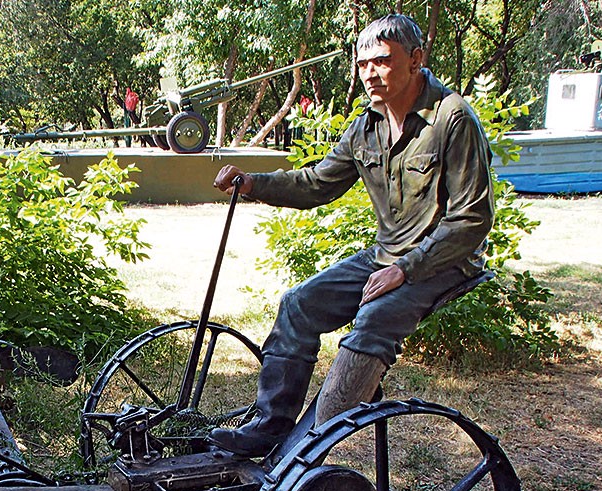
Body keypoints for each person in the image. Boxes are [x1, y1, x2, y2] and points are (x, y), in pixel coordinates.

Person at [209, 13, 494, 457]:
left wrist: (406, 269)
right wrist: (252, 183)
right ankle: (268, 427)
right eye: (362, 64)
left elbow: (472, 219)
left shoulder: (451, 118)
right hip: (388, 255)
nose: (370, 73)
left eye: (382, 61)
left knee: (376, 318)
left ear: (416, 59)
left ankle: (305, 455)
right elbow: (317, 184)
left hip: (445, 260)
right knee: (299, 304)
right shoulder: (367, 125)